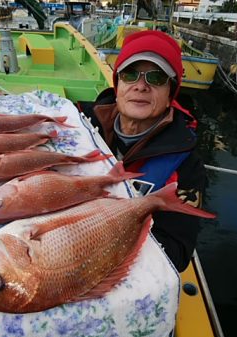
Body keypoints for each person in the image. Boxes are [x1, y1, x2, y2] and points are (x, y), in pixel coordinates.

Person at [80, 30, 206, 272]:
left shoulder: (187, 167)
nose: (140, 86)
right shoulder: (83, 123)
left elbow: (177, 252)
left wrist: (98, 241)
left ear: (171, 94)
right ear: (118, 86)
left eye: (156, 78)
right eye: (130, 74)